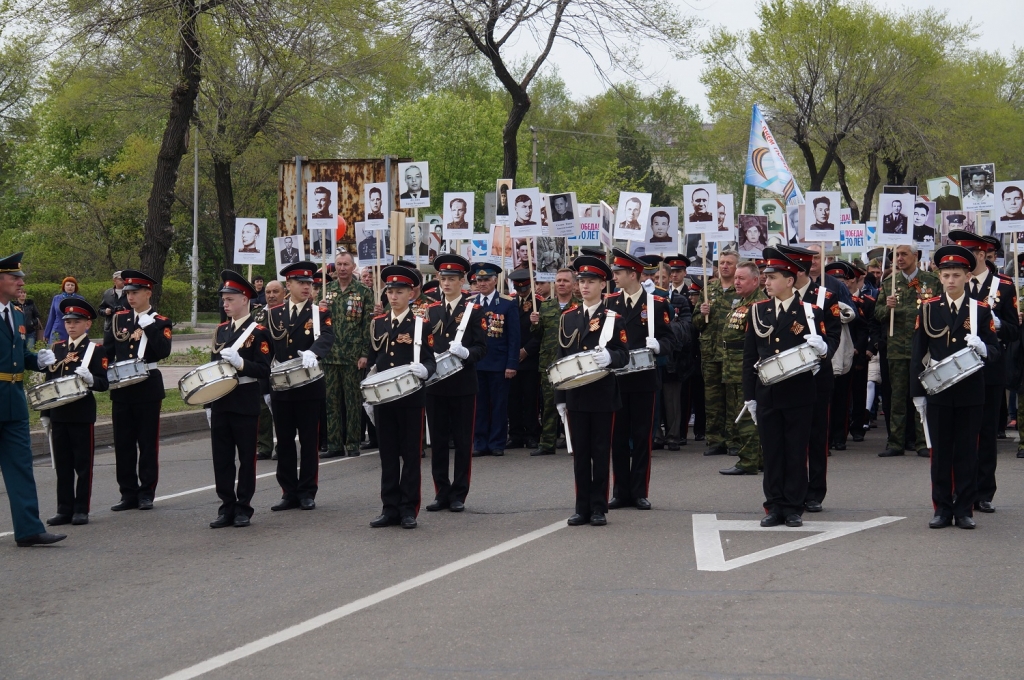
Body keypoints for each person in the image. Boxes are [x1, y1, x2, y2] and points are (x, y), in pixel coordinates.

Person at [911, 245, 999, 529]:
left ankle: (964, 509)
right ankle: (942, 508)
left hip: (970, 391)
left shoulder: (980, 310)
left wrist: (984, 347)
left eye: (956, 275)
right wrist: (917, 393)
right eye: (946, 275)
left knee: (966, 452)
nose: (951, 280)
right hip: (938, 391)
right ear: (939, 277)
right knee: (940, 453)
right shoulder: (927, 309)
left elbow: (996, 351)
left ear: (967, 276)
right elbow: (917, 354)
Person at [743, 248, 832, 528]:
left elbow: (821, 353)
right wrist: (750, 397)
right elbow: (749, 357)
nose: (766, 282)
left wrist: (824, 351)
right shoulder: (758, 311)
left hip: (799, 393)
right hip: (767, 393)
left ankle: (794, 506)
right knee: (772, 452)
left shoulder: (809, 311)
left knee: (795, 451)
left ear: (790, 281)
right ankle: (774, 505)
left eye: (772, 277)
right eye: (766, 277)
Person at [556, 255, 629, 526]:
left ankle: (598, 507)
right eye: (582, 282)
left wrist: (610, 357)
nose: (584, 287)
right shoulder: (568, 318)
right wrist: (560, 397)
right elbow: (560, 359)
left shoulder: (612, 318)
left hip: (602, 396)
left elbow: (624, 355)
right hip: (575, 395)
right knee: (579, 454)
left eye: (591, 282)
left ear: (603, 285)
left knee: (600, 453)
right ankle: (581, 507)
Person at [950, 230, 1019, 514]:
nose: (960, 265)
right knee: (960, 432)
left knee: (987, 432)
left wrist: (997, 324)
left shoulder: (1002, 286)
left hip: (989, 369)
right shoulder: (954, 283)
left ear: (980, 255)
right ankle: (960, 487)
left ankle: (983, 491)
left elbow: (1015, 331)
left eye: (967, 257)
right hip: (959, 367)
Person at [0, 252, 66, 547]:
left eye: (20, 278)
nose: (20, 282)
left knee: (21, 466)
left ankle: (28, 529)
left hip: (13, 400)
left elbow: (15, 358)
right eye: (14, 277)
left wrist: (36, 360)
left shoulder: (16, 313)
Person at [367, 265, 436, 529]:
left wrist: (424, 370)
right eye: (390, 292)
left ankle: (409, 509)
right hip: (384, 398)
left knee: (409, 454)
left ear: (412, 294)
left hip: (410, 397)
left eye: (399, 292)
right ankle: (389, 508)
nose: (393, 297)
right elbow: (373, 358)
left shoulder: (420, 325)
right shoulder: (377, 323)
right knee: (387, 455)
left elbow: (431, 362)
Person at [604, 249, 673, 510]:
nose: (615, 277)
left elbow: (670, 339)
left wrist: (658, 347)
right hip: (617, 380)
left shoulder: (656, 303)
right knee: (617, 438)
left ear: (633, 274)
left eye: (619, 273)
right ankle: (620, 491)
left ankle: (640, 491)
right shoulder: (610, 303)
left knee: (642, 437)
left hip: (644, 379)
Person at [204, 271, 274, 528]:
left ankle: (243, 506)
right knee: (221, 458)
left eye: (230, 299)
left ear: (245, 299)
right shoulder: (221, 330)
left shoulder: (259, 332)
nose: (225, 304)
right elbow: (211, 369)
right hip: (221, 399)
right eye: (224, 299)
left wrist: (241, 363)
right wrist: (208, 403)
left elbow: (264, 370)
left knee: (246, 457)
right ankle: (226, 506)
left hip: (245, 399)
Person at [265, 261, 335, 511]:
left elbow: (327, 336)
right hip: (281, 386)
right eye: (301, 283)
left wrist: (314, 352)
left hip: (308, 385)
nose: (307, 287)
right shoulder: (273, 314)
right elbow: (266, 348)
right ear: (289, 285)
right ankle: (288, 491)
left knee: (308, 440)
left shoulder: (319, 313)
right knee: (283, 441)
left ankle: (307, 491)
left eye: (310, 283)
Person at [779, 245, 844, 511]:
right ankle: (790, 488)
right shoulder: (778, 296)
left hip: (816, 375)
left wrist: (823, 349)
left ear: (797, 271)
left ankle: (815, 491)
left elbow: (835, 335)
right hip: (786, 377)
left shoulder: (824, 296)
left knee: (816, 435)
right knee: (789, 436)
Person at [104, 269, 173, 511]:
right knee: (123, 443)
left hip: (147, 386)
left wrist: (150, 327)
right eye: (128, 292)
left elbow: (163, 351)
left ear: (147, 293)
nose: (130, 297)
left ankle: (146, 493)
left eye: (135, 292)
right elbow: (108, 352)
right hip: (123, 387)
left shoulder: (161, 321)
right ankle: (128, 493)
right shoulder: (119, 319)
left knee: (146, 442)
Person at [424, 254, 488, 511]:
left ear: (463, 280)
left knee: (463, 442)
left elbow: (482, 348)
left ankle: (459, 493)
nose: (447, 283)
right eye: (443, 278)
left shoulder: (474, 309)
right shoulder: (430, 310)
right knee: (438, 442)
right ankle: (441, 491)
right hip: (435, 385)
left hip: (463, 384)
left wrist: (467, 353)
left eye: (452, 278)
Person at [39, 298, 109, 527]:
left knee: (82, 464)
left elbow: (103, 383)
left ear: (87, 324)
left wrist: (91, 380)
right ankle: (64, 509)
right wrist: (45, 413)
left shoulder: (95, 350)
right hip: (59, 414)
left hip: (81, 414)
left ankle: (81, 509)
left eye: (76, 322)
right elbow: (50, 382)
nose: (70, 326)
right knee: (63, 464)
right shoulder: (57, 348)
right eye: (68, 321)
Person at [875, 245, 938, 458]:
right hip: (897, 349)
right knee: (897, 398)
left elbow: (940, 309)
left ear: (916, 256)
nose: (898, 259)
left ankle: (923, 442)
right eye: (895, 256)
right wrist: (888, 307)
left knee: (922, 397)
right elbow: (878, 314)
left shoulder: (931, 280)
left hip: (923, 349)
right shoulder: (889, 283)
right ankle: (895, 442)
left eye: (903, 254)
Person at [321, 251, 374, 458]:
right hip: (330, 354)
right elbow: (318, 324)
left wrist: (364, 354)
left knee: (352, 402)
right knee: (331, 402)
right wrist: (320, 309)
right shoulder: (327, 291)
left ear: (353, 267)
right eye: (339, 264)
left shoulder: (363, 291)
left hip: (353, 355)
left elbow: (367, 325)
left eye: (346, 264)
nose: (342, 268)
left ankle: (353, 443)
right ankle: (334, 444)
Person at [718, 261, 766, 475]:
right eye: (736, 278)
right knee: (740, 415)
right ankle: (758, 458)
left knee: (747, 415)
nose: (736, 282)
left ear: (755, 281)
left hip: (745, 369)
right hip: (732, 367)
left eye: (741, 278)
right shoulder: (742, 302)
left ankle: (748, 461)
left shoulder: (760, 305)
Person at [471, 263, 520, 457]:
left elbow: (514, 337)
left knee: (499, 404)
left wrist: (511, 363)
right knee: (479, 404)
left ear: (495, 280)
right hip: (476, 363)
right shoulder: (471, 303)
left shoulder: (507, 303)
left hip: (499, 362)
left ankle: (497, 442)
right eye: (479, 280)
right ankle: (480, 442)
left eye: (486, 280)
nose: (482, 283)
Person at [694, 249, 738, 456]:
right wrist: (702, 314)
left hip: (732, 356)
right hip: (710, 353)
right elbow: (695, 324)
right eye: (721, 262)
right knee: (712, 400)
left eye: (729, 262)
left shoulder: (741, 289)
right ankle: (715, 440)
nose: (725, 266)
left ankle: (733, 440)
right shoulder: (708, 289)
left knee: (733, 400)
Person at [535, 268, 578, 456]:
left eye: (565, 281)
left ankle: (576, 442)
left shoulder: (581, 306)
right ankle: (547, 443)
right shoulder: (545, 306)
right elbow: (538, 336)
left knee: (574, 404)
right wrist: (534, 323)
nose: (561, 284)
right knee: (549, 404)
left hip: (572, 362)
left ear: (574, 285)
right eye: (558, 280)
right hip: (549, 362)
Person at [505, 269, 544, 450]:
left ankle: (531, 434)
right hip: (512, 357)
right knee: (512, 398)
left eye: (525, 287)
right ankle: (515, 434)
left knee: (530, 398)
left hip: (530, 357)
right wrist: (514, 352)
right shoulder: (509, 302)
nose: (521, 291)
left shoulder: (540, 304)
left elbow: (542, 333)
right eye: (518, 288)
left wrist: (526, 351)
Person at [252, 279, 283, 459]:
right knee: (262, 408)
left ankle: (283, 446)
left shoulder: (288, 313)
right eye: (268, 292)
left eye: (275, 292)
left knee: (279, 409)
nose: (271, 295)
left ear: (284, 293)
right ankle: (264, 446)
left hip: (281, 365)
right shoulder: (257, 314)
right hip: (262, 365)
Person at [44, 276, 84, 344]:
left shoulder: (80, 299)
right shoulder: (56, 298)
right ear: (64, 286)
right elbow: (51, 317)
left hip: (73, 330)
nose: (70, 287)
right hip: (58, 330)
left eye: (72, 285)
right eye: (68, 285)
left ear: (75, 287)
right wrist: (46, 334)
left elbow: (84, 317)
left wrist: (84, 332)